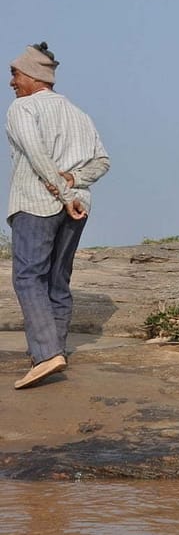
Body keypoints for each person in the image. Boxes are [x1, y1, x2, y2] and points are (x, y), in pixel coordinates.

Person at [6, 41, 110, 389]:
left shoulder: (22, 109)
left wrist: (65, 191)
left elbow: (37, 158)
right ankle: (53, 351)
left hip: (38, 202)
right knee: (57, 279)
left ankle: (47, 353)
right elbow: (103, 161)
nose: (11, 83)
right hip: (77, 205)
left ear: (34, 76)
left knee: (28, 277)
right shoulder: (80, 114)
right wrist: (74, 182)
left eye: (15, 74)